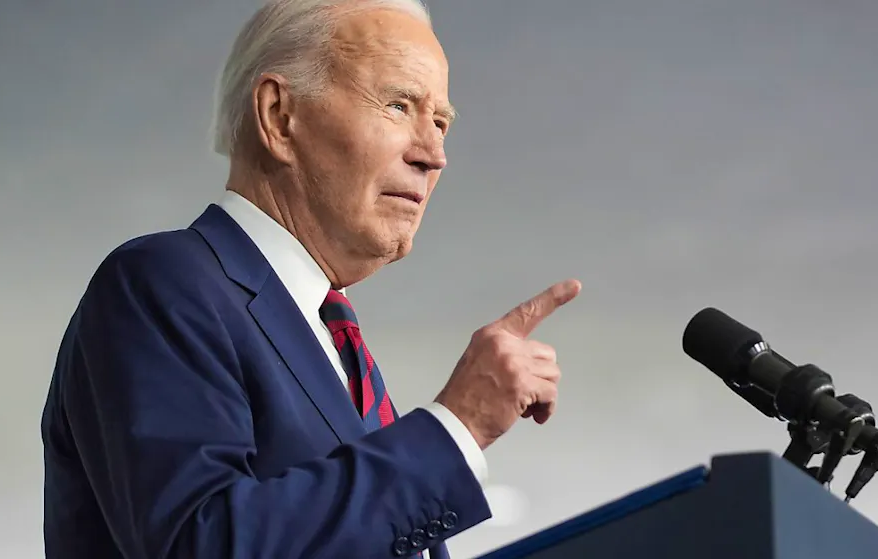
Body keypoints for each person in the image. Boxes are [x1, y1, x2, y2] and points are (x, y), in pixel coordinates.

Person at [40, 0, 581, 557]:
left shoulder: (337, 347)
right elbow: (201, 544)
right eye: (398, 106)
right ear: (279, 116)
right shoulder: (161, 285)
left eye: (440, 122)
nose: (434, 154)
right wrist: (457, 426)